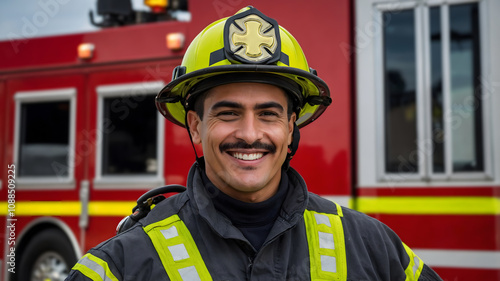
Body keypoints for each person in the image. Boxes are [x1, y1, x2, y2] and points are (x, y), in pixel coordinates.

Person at [66, 6, 442, 281]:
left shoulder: (372, 246)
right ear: (195, 126)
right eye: (228, 113)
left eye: (268, 114)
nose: (249, 133)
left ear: (291, 126)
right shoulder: (119, 265)